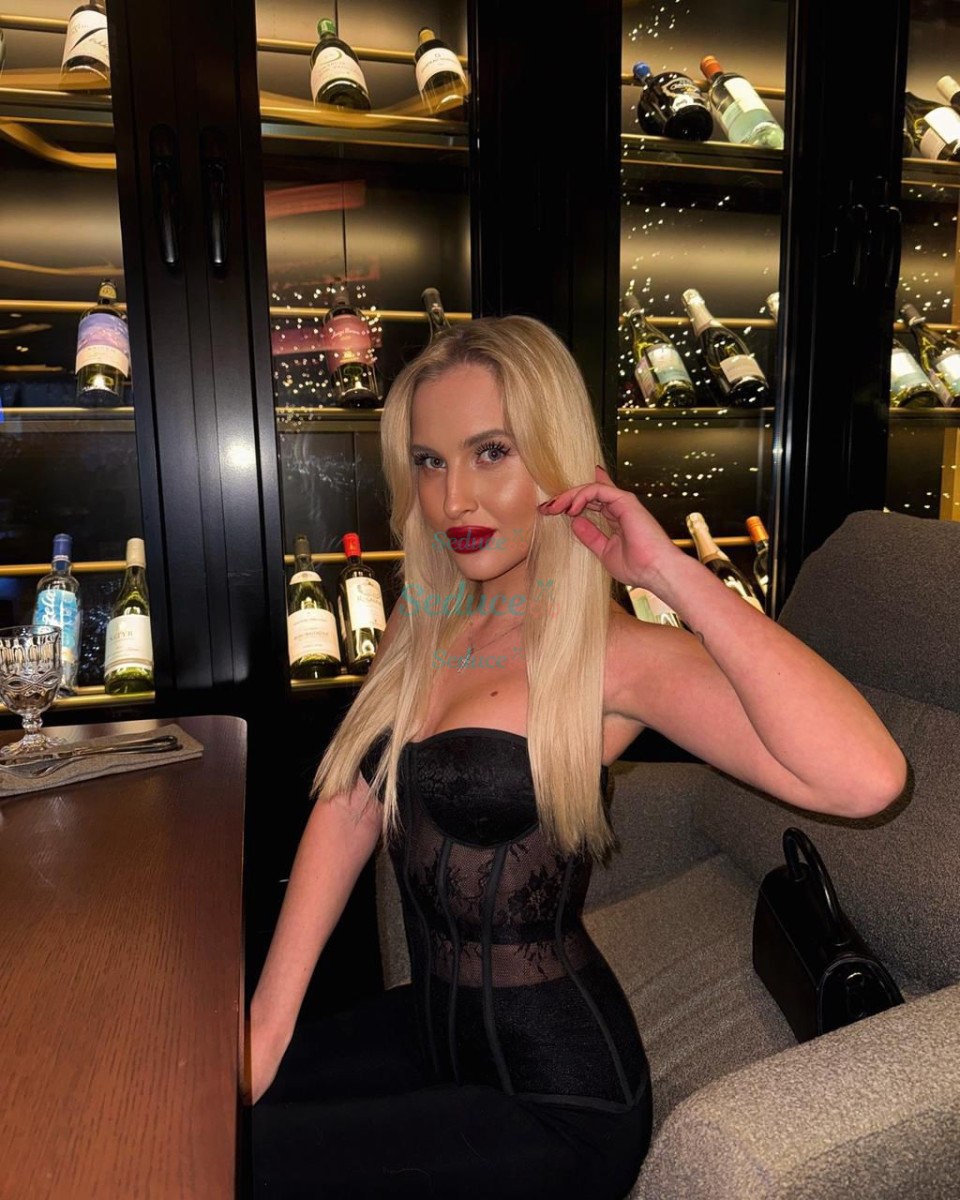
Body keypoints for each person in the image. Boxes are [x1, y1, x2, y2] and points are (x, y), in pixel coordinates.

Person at [244, 316, 907, 1198]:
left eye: (491, 452)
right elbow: (352, 802)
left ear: (556, 459)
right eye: (430, 462)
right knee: (200, 1113)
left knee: (240, 1167)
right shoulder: (423, 618)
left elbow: (866, 779)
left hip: (554, 1100)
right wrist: (269, 1020)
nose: (453, 500)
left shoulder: (612, 651)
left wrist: (666, 572)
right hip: (429, 1032)